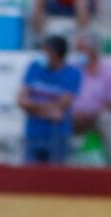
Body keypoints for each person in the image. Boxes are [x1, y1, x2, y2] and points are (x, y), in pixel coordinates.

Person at [19, 34, 81, 165]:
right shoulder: (34, 67)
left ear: (55, 54)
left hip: (57, 134)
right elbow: (21, 100)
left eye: (46, 51)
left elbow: (63, 104)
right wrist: (47, 112)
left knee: (55, 174)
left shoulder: (72, 73)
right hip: (33, 133)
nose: (43, 54)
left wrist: (32, 108)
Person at [71, 31, 111, 165]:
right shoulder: (71, 68)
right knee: (56, 117)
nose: (79, 53)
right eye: (77, 49)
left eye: (82, 49)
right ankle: (54, 167)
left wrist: (94, 113)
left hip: (98, 116)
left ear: (93, 49)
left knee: (107, 118)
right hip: (73, 116)